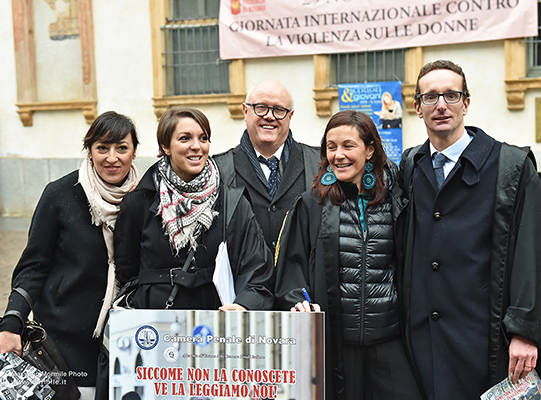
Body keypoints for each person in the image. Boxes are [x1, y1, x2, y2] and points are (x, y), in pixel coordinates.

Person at [397, 59, 541, 399]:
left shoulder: (510, 167)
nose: (441, 105)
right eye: (430, 97)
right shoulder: (410, 167)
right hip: (424, 343)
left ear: (466, 103)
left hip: (489, 342)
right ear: (417, 108)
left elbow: (533, 252)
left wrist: (525, 331)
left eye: (451, 95)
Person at [274, 110, 422, 400]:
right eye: (331, 147)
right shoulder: (312, 204)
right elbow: (292, 266)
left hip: (389, 339)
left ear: (369, 150)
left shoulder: (396, 200)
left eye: (348, 146)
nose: (338, 155)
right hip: (337, 344)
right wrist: (298, 301)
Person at [0, 111, 140, 400]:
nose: (112, 157)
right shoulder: (60, 194)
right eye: (102, 148)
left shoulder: (144, 198)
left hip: (125, 336)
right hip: (65, 339)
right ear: (90, 151)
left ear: (134, 152)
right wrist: (13, 321)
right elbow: (33, 266)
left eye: (121, 148)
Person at [114, 107, 273, 311]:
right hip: (155, 325)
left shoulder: (232, 201)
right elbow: (127, 269)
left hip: (214, 321)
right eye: (185, 138)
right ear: (165, 146)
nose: (197, 146)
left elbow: (257, 265)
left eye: (203, 138)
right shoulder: (140, 201)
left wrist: (243, 305)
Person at [213, 79, 320, 253]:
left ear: (290, 116)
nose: (269, 116)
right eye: (261, 107)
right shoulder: (219, 169)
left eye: (279, 110)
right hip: (243, 279)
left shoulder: (318, 164)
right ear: (245, 111)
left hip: (303, 279)